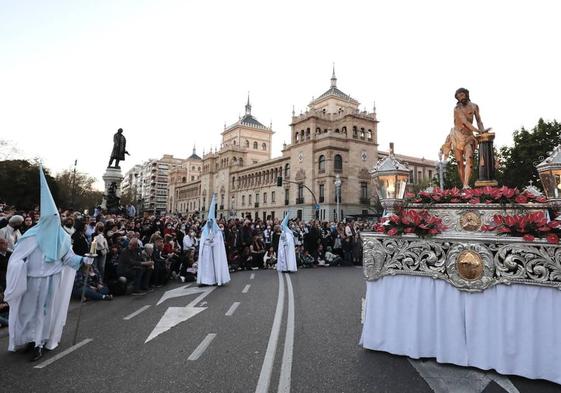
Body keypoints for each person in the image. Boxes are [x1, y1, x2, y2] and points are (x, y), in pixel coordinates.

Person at [4, 167, 93, 361]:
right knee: (27, 311)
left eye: (56, 218)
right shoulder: (31, 235)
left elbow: (69, 258)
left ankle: (39, 343)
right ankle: (28, 339)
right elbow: (16, 257)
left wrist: (85, 260)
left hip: (50, 281)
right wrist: (18, 271)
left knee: (43, 312)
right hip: (29, 280)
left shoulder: (61, 237)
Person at [440, 87, 489, 188]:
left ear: (467, 94)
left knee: (469, 158)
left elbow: (479, 120)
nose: (460, 98)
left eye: (462, 95)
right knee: (459, 162)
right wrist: (479, 131)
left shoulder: (475, 106)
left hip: (468, 136)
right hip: (457, 136)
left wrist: (482, 130)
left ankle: (466, 184)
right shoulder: (457, 109)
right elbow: (465, 122)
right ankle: (464, 185)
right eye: (458, 97)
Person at [197, 194, 230, 286]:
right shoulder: (204, 231)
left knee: (215, 265)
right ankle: (204, 281)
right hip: (206, 251)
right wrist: (207, 243)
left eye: (211, 221)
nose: (210, 223)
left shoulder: (218, 232)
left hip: (215, 251)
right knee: (206, 267)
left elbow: (218, 242)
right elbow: (202, 240)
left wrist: (212, 242)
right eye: (208, 222)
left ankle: (217, 279)